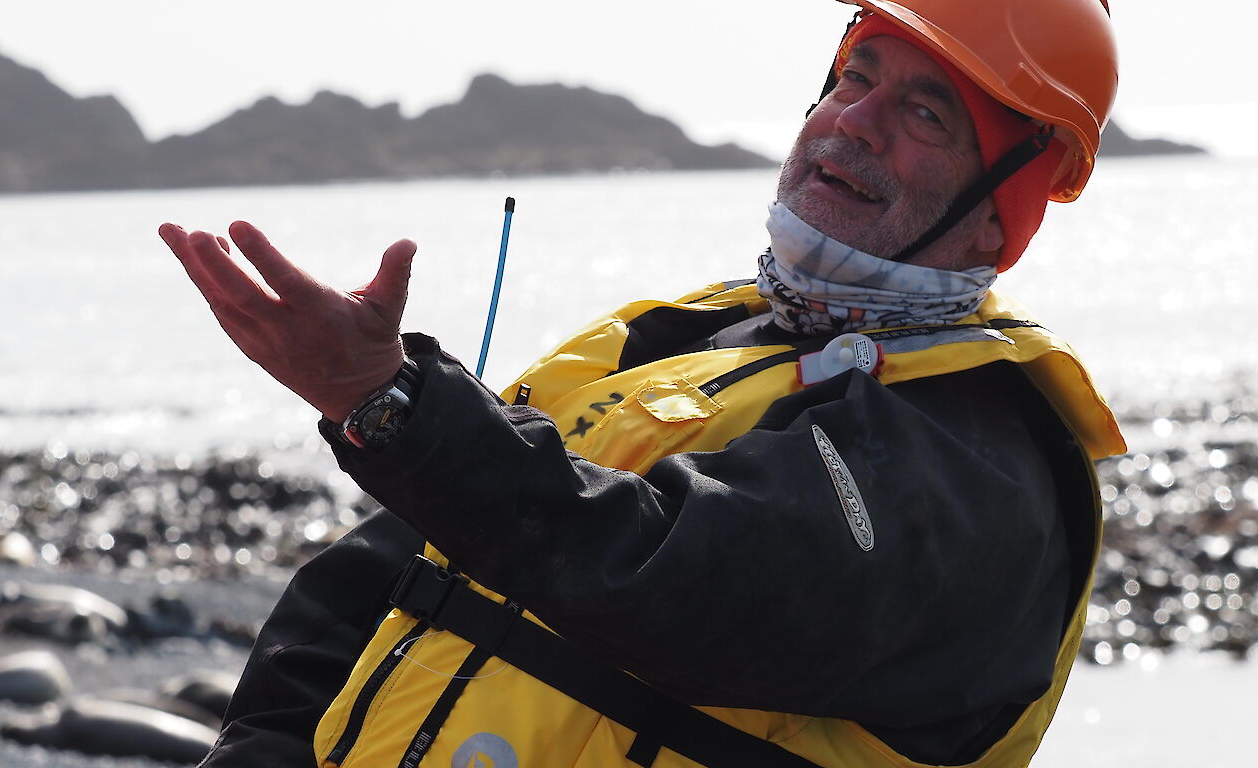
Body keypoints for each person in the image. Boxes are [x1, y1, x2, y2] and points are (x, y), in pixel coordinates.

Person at [158, 1, 1127, 765]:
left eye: (924, 113)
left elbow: (685, 591)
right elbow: (379, 581)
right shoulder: (676, 338)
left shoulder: (979, 467)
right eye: (853, 77)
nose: (855, 121)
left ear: (1000, 214)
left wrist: (390, 400)